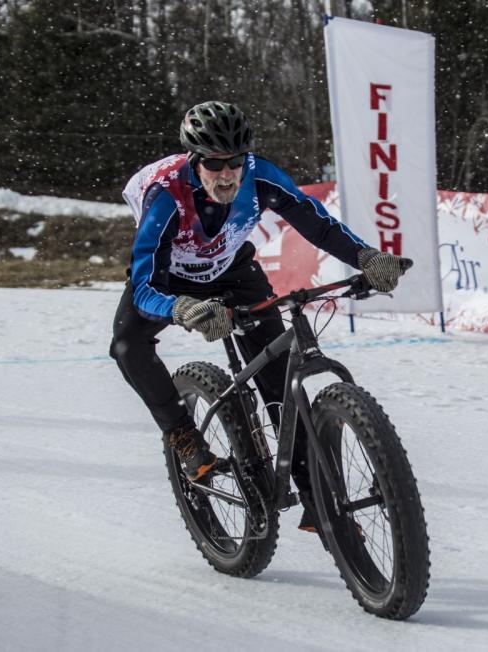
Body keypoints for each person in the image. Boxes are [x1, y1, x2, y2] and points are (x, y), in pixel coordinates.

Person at [110, 101, 407, 529]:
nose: (227, 173)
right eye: (215, 164)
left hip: (232, 272)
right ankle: (182, 434)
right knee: (126, 346)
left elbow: (317, 224)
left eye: (235, 161)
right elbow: (143, 287)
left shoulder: (261, 176)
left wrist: (365, 257)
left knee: (280, 378)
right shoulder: (167, 197)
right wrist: (180, 308)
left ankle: (318, 501)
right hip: (170, 281)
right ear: (196, 161)